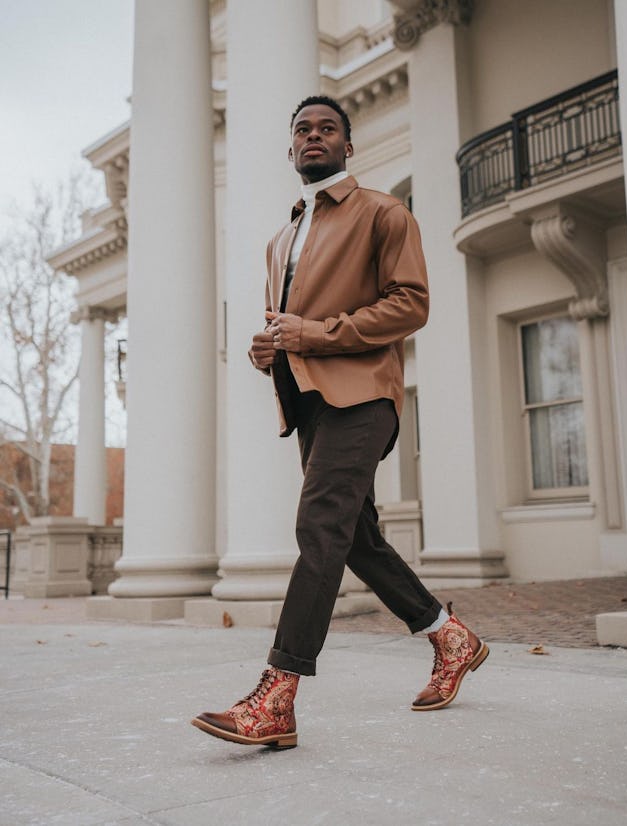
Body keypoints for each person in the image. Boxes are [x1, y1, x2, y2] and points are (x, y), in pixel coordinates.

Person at [192, 95, 488, 749]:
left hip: (365, 396)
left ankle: (277, 696)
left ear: (348, 147)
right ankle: (450, 637)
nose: (314, 136)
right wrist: (268, 349)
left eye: (328, 128)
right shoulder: (280, 239)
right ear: (290, 148)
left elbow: (410, 304)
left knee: (318, 526)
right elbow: (288, 327)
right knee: (356, 539)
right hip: (308, 401)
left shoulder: (384, 212)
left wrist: (315, 333)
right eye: (302, 129)